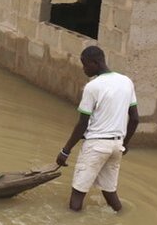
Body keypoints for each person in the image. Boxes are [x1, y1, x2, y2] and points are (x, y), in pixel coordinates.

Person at [55, 45, 139, 212]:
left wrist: (65, 151)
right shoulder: (126, 82)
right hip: (116, 145)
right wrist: (125, 144)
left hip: (96, 145)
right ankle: (121, 218)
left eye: (85, 64)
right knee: (110, 192)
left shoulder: (92, 87)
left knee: (78, 194)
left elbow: (82, 124)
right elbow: (135, 119)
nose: (84, 69)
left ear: (95, 63)